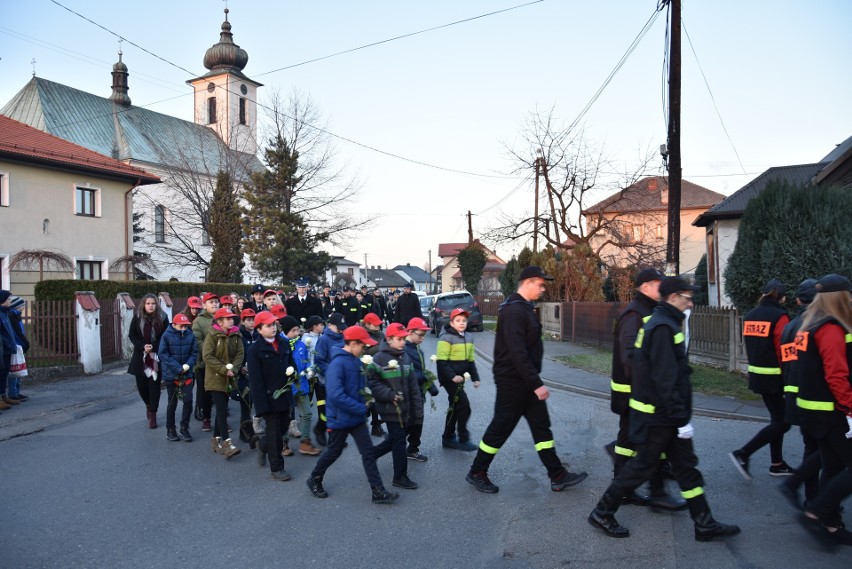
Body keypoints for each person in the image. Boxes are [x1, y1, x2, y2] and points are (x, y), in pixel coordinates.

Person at [588, 276, 739, 542]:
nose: (691, 302)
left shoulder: (665, 322)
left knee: (686, 468)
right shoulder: (662, 327)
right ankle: (602, 511)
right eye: (686, 296)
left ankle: (704, 522)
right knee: (642, 466)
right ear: (672, 297)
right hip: (659, 416)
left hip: (663, 415)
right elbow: (665, 378)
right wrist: (681, 419)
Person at [467, 266, 588, 494]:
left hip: (525, 380)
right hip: (513, 381)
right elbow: (517, 352)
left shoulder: (524, 308)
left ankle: (557, 474)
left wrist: (533, 381)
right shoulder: (514, 311)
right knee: (500, 428)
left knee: (541, 428)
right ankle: (476, 472)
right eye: (540, 284)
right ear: (528, 282)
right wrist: (536, 383)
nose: (543, 289)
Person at [606, 268, 684, 510]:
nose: (662, 288)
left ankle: (648, 486)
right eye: (658, 283)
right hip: (632, 390)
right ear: (646, 287)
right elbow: (630, 356)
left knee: (641, 438)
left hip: (641, 390)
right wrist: (647, 384)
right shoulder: (634, 313)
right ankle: (624, 490)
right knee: (631, 439)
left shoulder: (649, 310)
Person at [305, 325, 399, 504]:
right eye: (363, 346)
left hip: (356, 417)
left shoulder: (356, 361)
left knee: (368, 453)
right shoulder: (337, 363)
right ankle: (315, 478)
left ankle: (377, 491)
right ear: (353, 344)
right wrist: (360, 407)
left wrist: (369, 396)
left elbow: (359, 386)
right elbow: (335, 394)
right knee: (334, 451)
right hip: (340, 417)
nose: (365, 349)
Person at [794, 274, 852, 548]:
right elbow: (836, 375)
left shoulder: (809, 324)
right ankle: (816, 512)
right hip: (830, 413)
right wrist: (851, 407)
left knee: (832, 465)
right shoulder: (830, 328)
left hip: (813, 410)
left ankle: (830, 523)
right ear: (840, 297)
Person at [730, 279, 793, 480]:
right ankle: (743, 453)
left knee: (778, 419)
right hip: (776, 377)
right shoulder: (780, 316)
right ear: (782, 297)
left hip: (757, 375)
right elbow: (782, 349)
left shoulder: (751, 315)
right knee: (783, 422)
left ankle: (777, 463)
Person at [777, 279, 823, 510]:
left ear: (797, 300)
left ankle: (812, 498)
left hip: (795, 394)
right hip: (818, 397)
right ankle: (821, 501)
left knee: (812, 448)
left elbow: (786, 362)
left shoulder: (789, 327)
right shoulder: (819, 326)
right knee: (825, 452)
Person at [366, 322, 424, 490]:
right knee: (399, 442)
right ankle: (400, 476)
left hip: (405, 407)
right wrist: (390, 395)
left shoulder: (405, 356)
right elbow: (372, 383)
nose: (402, 342)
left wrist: (417, 409)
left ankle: (372, 455)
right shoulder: (379, 358)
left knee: (396, 438)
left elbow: (413, 385)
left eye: (404, 339)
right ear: (389, 339)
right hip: (390, 408)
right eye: (399, 339)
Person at [246, 311, 295, 481]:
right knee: (274, 435)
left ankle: (262, 443)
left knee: (282, 429)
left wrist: (293, 374)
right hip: (269, 399)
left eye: (274, 325)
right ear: (259, 329)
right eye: (268, 326)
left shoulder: (283, 343)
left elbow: (291, 365)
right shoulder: (254, 350)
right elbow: (256, 381)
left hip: (285, 395)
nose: (273, 328)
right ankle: (277, 468)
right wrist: (261, 407)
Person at [202, 306, 244, 459]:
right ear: (219, 321)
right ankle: (227, 443)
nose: (232, 321)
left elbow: (240, 353)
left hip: (230, 377)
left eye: (232, 318)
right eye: (228, 319)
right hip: (215, 378)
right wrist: (223, 369)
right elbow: (207, 356)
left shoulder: (236, 334)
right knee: (221, 409)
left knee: (223, 407)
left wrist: (235, 368)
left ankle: (215, 441)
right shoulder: (212, 335)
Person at [437, 307, 480, 452]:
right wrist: (452, 376)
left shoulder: (468, 337)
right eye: (458, 320)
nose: (462, 323)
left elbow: (470, 361)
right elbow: (441, 362)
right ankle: (463, 438)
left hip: (460, 379)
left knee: (455, 407)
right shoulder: (446, 338)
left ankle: (447, 437)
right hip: (449, 378)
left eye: (464, 320)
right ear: (452, 322)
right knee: (464, 406)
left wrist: (475, 378)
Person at [280, 314, 322, 456]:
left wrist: (310, 369)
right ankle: (283, 443)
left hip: (301, 385)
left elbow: (306, 360)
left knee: (307, 413)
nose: (297, 333)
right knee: (285, 417)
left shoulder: (300, 344)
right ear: (285, 331)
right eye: (293, 331)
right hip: (286, 387)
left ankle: (305, 442)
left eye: (298, 330)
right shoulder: (280, 345)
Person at [127, 293, 169, 429]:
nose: (151, 306)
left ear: (157, 305)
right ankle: (148, 404)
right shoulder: (137, 317)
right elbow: (132, 335)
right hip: (140, 357)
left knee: (154, 387)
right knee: (142, 387)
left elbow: (165, 335)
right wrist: (142, 346)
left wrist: (154, 347)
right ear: (144, 305)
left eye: (153, 303)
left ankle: (153, 414)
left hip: (156, 356)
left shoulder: (163, 318)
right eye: (148, 303)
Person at [157, 312, 198, 442]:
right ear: (174, 325)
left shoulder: (190, 335)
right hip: (172, 375)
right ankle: (170, 429)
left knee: (188, 401)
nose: (184, 329)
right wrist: (177, 368)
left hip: (187, 374)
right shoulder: (166, 335)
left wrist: (188, 365)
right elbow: (163, 354)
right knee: (172, 402)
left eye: (186, 326)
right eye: (181, 326)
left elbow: (194, 352)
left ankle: (184, 427)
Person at [404, 316, 439, 461]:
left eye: (424, 335)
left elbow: (422, 371)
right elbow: (411, 375)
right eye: (420, 335)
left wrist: (431, 387)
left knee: (418, 422)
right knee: (410, 424)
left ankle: (412, 449)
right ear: (410, 332)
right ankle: (393, 444)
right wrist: (426, 380)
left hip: (419, 394)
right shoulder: (405, 350)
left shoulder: (418, 349)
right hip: (409, 395)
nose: (423, 338)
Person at [313, 313, 347, 445]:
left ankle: (335, 437)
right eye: (338, 327)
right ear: (329, 325)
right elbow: (319, 361)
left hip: (341, 380)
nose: (341, 329)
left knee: (338, 410)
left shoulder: (344, 337)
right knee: (327, 411)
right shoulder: (324, 340)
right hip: (326, 380)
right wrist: (333, 372)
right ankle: (320, 429)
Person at [192, 292, 219, 431]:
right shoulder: (198, 320)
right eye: (211, 302)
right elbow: (197, 340)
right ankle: (206, 418)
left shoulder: (222, 318)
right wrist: (211, 352)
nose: (215, 304)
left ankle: (221, 420)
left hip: (221, 362)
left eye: (216, 301)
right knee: (205, 392)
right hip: (204, 363)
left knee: (221, 392)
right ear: (204, 305)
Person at [362, 312, 387, 437]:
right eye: (375, 325)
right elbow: (363, 351)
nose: (378, 327)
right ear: (367, 324)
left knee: (377, 398)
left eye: (379, 324)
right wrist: (379, 348)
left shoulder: (381, 334)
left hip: (381, 368)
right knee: (373, 398)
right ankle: (374, 423)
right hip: (368, 370)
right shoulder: (363, 335)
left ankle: (376, 424)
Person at [5, 295, 29, 402]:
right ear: (16, 306)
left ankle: (16, 392)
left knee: (18, 369)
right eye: (22, 305)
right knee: (15, 370)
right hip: (16, 346)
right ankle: (13, 393)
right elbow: (16, 333)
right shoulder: (12, 316)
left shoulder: (16, 315)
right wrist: (23, 343)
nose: (23, 307)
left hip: (19, 346)